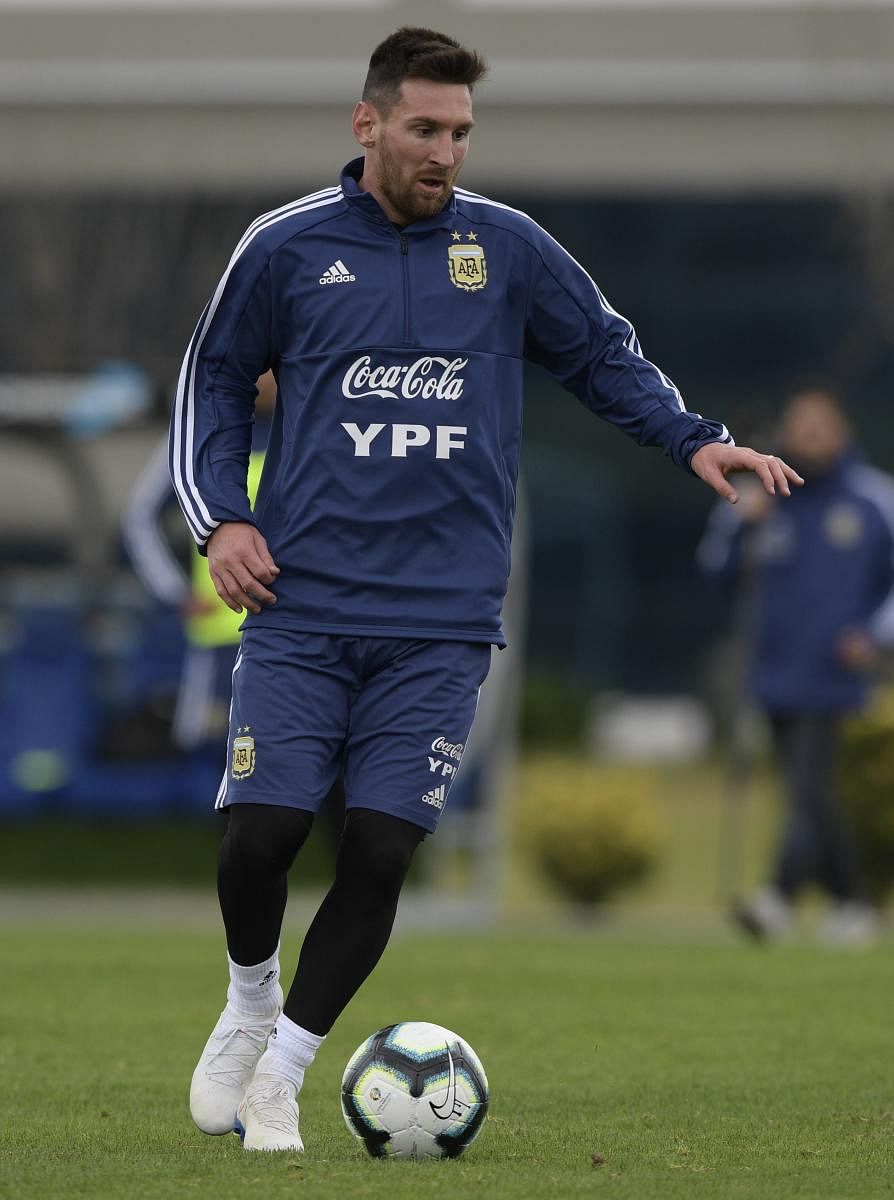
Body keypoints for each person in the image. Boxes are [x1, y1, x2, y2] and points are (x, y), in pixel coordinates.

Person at [170, 27, 801, 1153]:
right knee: (260, 837)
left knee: (378, 849)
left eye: (461, 132)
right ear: (366, 126)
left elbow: (603, 353)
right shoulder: (286, 246)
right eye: (424, 129)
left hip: (443, 617)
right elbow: (213, 380)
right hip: (302, 604)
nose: (445, 152)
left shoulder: (505, 249)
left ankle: (285, 1072)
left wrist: (694, 442)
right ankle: (250, 997)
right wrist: (223, 518)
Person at [698, 382, 894, 944]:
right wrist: (743, 524)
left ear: (842, 431)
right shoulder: (757, 496)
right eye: (800, 424)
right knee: (808, 791)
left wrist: (873, 635)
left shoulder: (872, 499)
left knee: (808, 781)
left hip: (835, 669)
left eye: (820, 424)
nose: (809, 434)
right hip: (773, 667)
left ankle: (778, 897)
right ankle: (853, 903)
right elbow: (714, 569)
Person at [125, 372, 275, 764]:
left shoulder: (309, 425)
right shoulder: (199, 429)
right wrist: (173, 592)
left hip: (294, 625)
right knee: (219, 750)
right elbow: (141, 517)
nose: (266, 379)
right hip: (222, 632)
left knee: (292, 748)